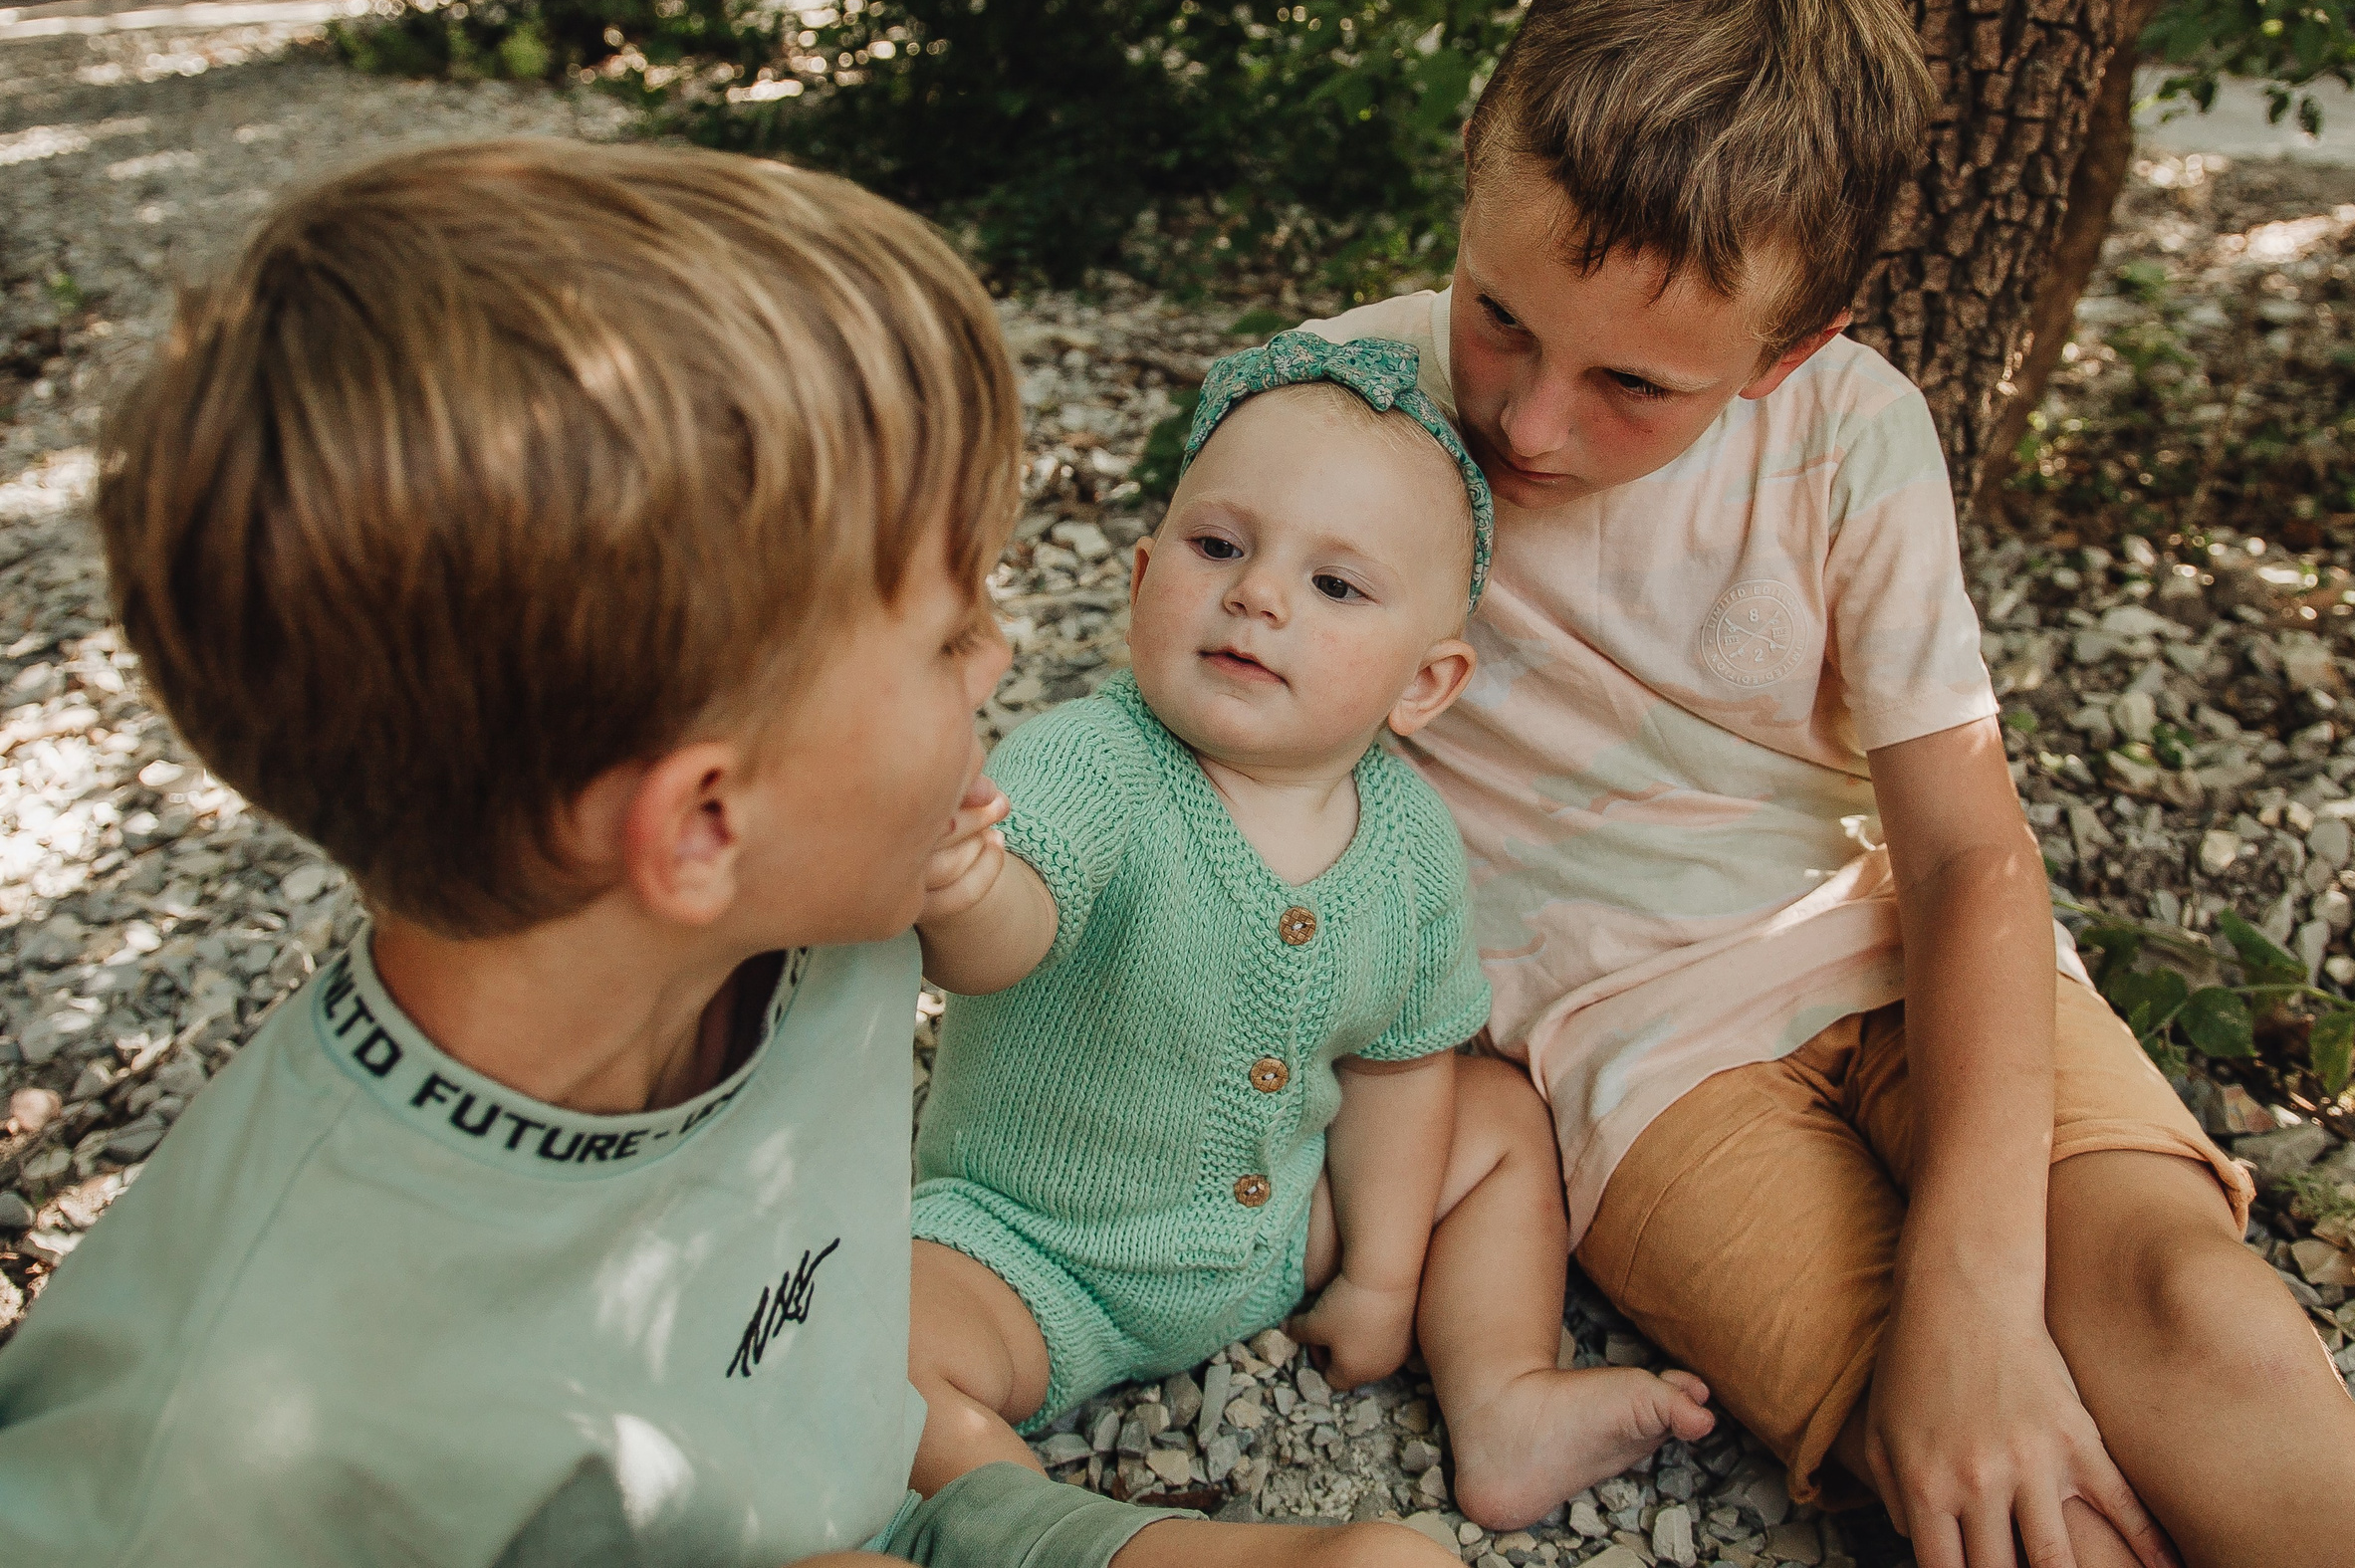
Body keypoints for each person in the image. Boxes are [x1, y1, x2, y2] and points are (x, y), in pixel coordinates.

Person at [0, 138, 1415, 1568]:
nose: (1003, 656)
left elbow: (836, 1439)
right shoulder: (234, 1433)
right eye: (944, 637)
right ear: (703, 826)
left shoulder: (816, 926)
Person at [1305, 0, 2355, 1568]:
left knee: (2178, 1300)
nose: (1531, 419)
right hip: (1640, 1065)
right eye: (1499, 314)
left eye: (1638, 386)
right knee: (1978, 1474)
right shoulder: (1334, 406)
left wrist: (1981, 1291)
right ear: (1474, 165)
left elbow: (1966, 853)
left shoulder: (1852, 435)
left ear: (1793, 349)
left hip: (1903, 954)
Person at [906, 333, 1715, 1538]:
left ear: (1424, 683)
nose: (1258, 594)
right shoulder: (1092, 764)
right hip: (1031, 1253)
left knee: (1489, 1116)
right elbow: (996, 945)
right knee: (875, 1346)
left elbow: (1393, 1071)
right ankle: (1046, 1530)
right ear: (1139, 578)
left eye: (1335, 587)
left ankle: (1501, 1395)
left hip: (1281, 1229)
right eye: (1219, 547)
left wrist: (1381, 1274)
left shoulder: (1408, 846)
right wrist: (964, 887)